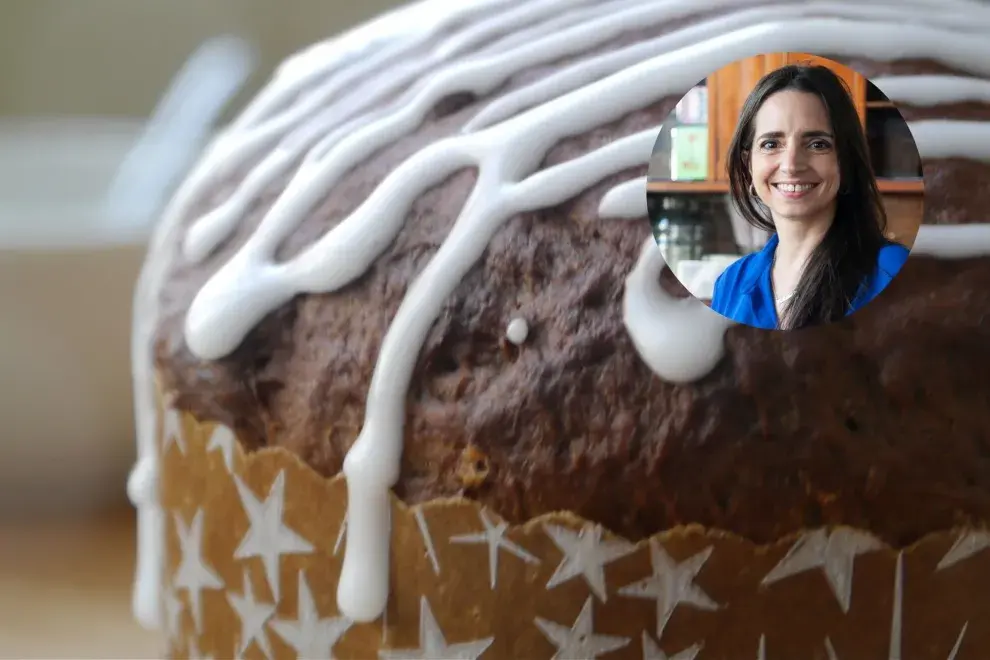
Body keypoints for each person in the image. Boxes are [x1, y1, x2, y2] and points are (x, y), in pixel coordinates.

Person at [710, 63, 910, 331]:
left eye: (817, 144)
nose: (791, 165)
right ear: (749, 165)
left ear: (845, 161)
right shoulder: (730, 285)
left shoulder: (890, 271)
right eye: (771, 144)